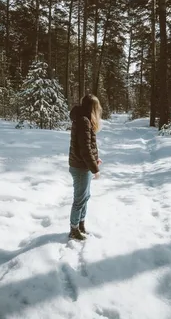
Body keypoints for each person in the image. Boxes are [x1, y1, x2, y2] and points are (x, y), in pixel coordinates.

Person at [68, 94, 102, 240]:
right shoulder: (83, 121)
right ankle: (74, 229)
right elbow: (85, 149)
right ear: (92, 107)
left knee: (85, 196)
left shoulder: (84, 119)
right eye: (96, 107)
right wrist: (95, 168)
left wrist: (95, 160)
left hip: (83, 166)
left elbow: (88, 146)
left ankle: (81, 225)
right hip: (81, 167)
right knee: (80, 199)